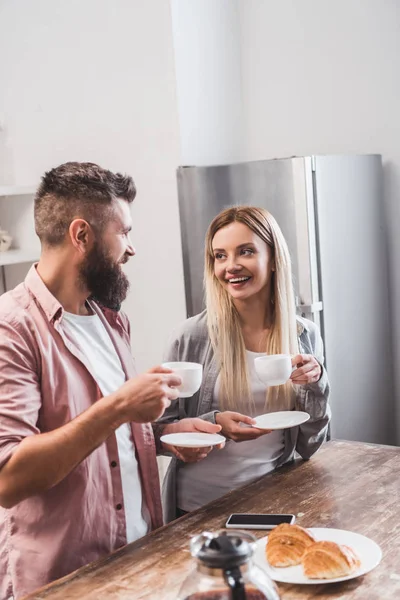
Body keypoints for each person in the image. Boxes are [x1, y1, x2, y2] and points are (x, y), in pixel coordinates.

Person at [0, 162, 221, 600]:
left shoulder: (110, 320)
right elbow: (9, 478)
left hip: (140, 558)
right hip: (66, 582)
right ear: (81, 236)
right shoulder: (12, 328)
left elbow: (100, 437)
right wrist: (120, 405)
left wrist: (161, 434)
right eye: (125, 232)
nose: (131, 249)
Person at [160, 206, 331, 522]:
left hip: (273, 499)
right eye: (220, 256)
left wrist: (316, 383)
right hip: (197, 509)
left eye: (246, 251)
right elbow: (157, 432)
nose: (231, 266)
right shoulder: (190, 336)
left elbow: (310, 444)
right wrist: (214, 424)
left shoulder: (304, 334)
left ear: (273, 258)